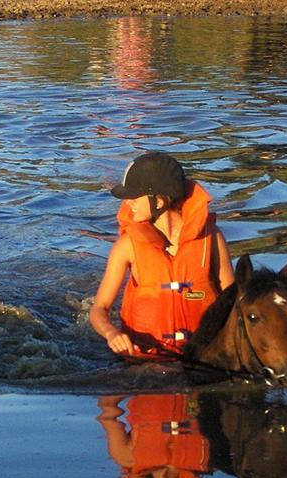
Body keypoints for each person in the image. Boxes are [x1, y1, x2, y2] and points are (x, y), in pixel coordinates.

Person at [89, 151, 234, 359]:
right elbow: (99, 309)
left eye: (133, 197)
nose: (128, 203)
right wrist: (112, 334)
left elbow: (233, 301)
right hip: (144, 359)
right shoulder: (126, 245)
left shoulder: (211, 238)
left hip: (202, 356)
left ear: (158, 202)